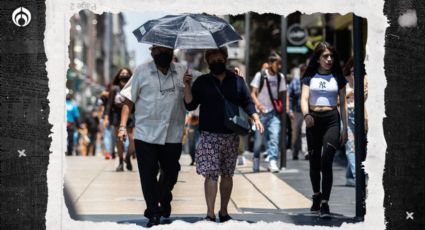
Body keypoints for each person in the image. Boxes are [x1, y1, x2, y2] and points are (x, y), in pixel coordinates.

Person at [118, 45, 201, 227]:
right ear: (152, 52)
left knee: (172, 173)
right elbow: (128, 100)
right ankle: (153, 212)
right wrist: (123, 127)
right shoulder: (141, 71)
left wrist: (233, 76)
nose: (163, 53)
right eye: (159, 50)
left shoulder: (182, 71)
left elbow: (206, 82)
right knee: (147, 174)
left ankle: (164, 198)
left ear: (172, 52)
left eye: (167, 50)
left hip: (172, 133)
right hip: (145, 134)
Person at [183, 47, 264, 222]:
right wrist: (187, 86)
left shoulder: (237, 80)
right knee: (211, 174)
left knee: (227, 174)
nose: (217, 63)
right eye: (213, 60)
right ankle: (210, 213)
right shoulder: (202, 82)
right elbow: (190, 105)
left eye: (220, 59)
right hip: (210, 135)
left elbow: (247, 101)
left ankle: (224, 212)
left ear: (226, 59)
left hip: (231, 134)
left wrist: (255, 118)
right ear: (207, 61)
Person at [300, 42, 348, 218]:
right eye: (325, 56)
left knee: (326, 160)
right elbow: (304, 99)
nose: (329, 59)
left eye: (331, 56)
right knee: (314, 161)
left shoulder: (338, 76)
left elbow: (342, 103)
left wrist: (345, 129)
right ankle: (316, 195)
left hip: (331, 120)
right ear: (318, 59)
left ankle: (325, 203)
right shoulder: (310, 75)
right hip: (313, 120)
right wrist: (306, 116)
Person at [250, 52, 288, 173]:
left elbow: (283, 94)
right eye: (277, 63)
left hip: (273, 113)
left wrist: (285, 109)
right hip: (260, 114)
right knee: (258, 142)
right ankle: (256, 160)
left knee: (274, 137)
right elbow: (253, 94)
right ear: (271, 63)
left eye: (280, 64)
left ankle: (272, 161)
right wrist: (258, 105)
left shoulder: (280, 77)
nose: (279, 66)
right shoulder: (260, 75)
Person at [342, 57, 368, 186]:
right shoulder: (343, 81)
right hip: (347, 115)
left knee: (361, 147)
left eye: (357, 71)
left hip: (361, 115)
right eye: (352, 70)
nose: (354, 73)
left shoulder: (364, 81)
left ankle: (349, 176)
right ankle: (358, 178)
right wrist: (349, 93)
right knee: (351, 147)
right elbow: (336, 100)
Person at [104, 68, 135, 172]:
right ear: (118, 75)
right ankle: (121, 162)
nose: (124, 75)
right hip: (117, 116)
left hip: (131, 116)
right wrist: (106, 117)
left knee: (133, 139)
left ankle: (128, 157)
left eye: (126, 74)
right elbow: (109, 104)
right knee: (119, 140)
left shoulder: (133, 87)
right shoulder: (114, 89)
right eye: (122, 73)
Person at [288, 67, 304, 160]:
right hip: (296, 111)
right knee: (296, 134)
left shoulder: (311, 81)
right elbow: (289, 97)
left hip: (308, 111)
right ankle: (295, 152)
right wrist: (290, 111)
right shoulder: (295, 82)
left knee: (305, 132)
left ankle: (307, 152)